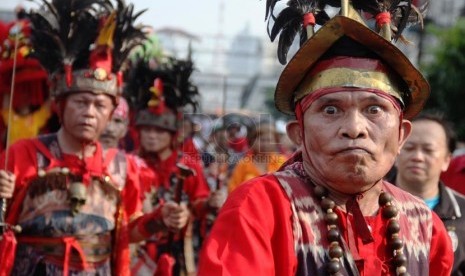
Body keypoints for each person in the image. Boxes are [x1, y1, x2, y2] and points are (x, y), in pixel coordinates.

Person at [199, 1, 453, 275]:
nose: (354, 128)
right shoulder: (261, 208)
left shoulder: (427, 226)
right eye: (330, 109)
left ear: (401, 134)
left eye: (374, 109)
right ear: (299, 133)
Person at [0, 1, 187, 275]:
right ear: (60, 105)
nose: (89, 112)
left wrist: (160, 220)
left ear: (113, 112)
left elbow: (127, 232)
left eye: (100, 105)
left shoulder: (124, 167)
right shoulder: (23, 154)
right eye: (81, 102)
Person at [127, 55, 226, 275]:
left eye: (160, 131)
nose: (152, 136)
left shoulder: (187, 163)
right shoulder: (127, 163)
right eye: (147, 130)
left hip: (175, 250)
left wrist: (209, 202)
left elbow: (198, 202)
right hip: (135, 249)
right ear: (138, 131)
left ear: (172, 135)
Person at [394, 113, 465, 275]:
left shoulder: (462, 212)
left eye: (428, 150)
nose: (418, 157)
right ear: (396, 152)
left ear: (447, 160)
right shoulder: (367, 204)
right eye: (409, 148)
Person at [227, 120, 287, 193]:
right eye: (262, 140)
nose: (265, 144)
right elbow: (233, 190)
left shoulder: (282, 162)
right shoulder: (243, 164)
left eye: (269, 140)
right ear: (252, 141)